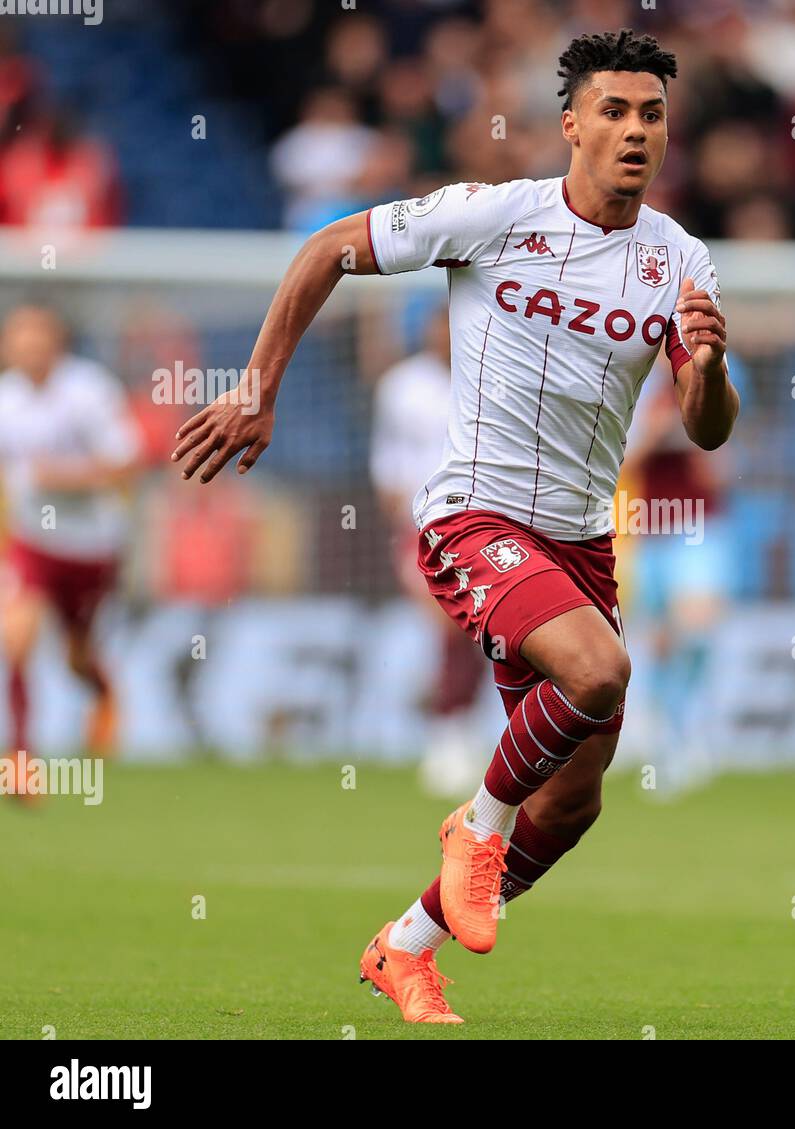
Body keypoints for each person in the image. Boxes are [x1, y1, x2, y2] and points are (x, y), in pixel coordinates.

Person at [172, 29, 739, 1023]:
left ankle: (404, 945)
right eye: (614, 110)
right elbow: (325, 250)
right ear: (572, 124)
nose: (635, 129)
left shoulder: (679, 259)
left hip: (577, 540)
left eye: (650, 113)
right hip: (472, 512)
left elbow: (706, 425)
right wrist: (257, 391)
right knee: (602, 672)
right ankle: (475, 828)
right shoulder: (492, 215)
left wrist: (712, 367)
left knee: (574, 803)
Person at [0, 305, 142, 801]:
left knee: (75, 659)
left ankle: (103, 694)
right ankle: (20, 763)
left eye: (36, 336)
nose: (26, 347)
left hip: (91, 546)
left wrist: (63, 477)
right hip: (33, 544)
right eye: (18, 338)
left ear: (56, 342)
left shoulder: (89, 391)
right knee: (15, 639)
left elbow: (128, 465)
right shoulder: (6, 400)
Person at [370, 308, 484, 792]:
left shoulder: (488, 375)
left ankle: (453, 730)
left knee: (475, 633)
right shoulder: (401, 386)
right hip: (420, 531)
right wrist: (395, 512)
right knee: (449, 625)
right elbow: (387, 458)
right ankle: (445, 734)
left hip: (478, 529)